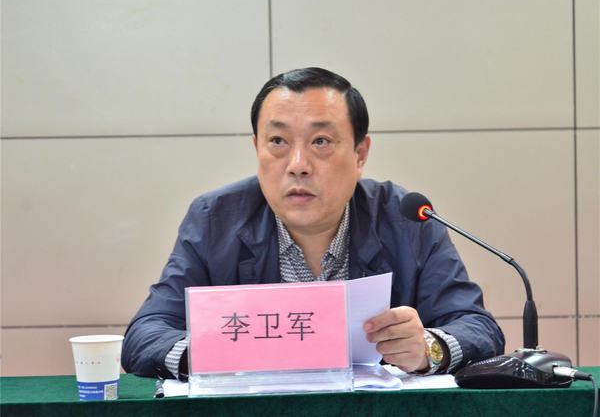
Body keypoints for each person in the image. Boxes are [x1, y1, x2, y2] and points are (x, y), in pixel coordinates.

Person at [122, 67, 504, 380]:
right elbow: (146, 333)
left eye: (320, 141)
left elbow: (477, 326)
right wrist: (210, 353)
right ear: (256, 147)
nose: (298, 165)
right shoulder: (215, 219)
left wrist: (428, 348)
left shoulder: (404, 218)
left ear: (360, 153)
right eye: (278, 141)